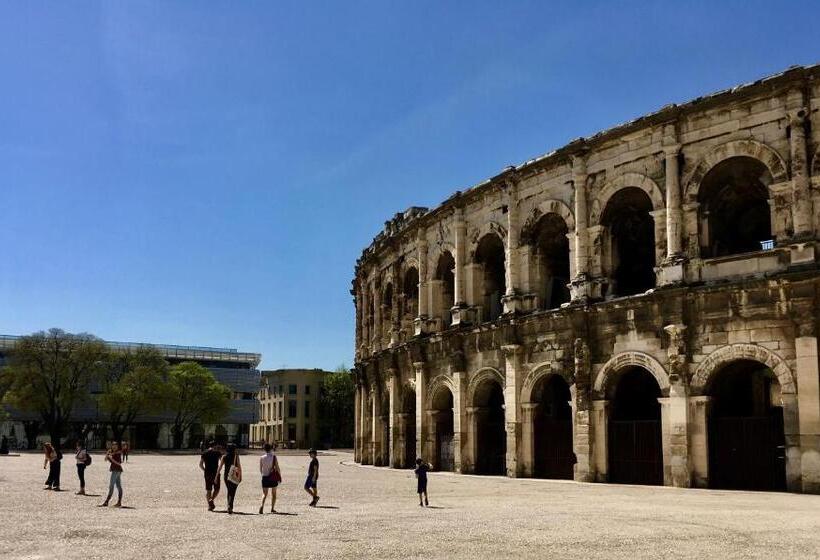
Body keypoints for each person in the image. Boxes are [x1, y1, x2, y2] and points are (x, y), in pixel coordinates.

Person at [199, 440, 222, 511]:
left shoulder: (204, 453)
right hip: (215, 473)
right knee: (217, 489)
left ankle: (209, 505)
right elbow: (222, 462)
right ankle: (211, 499)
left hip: (207, 473)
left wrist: (205, 470)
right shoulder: (217, 453)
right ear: (215, 445)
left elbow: (200, 464)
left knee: (208, 490)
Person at [218, 443, 241, 514]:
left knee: (229, 490)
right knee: (232, 491)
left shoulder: (224, 456)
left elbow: (220, 467)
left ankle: (229, 506)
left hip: (226, 476)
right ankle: (230, 506)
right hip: (234, 475)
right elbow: (239, 467)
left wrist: (216, 476)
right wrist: (240, 476)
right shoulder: (236, 456)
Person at [258, 443, 280, 514]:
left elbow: (260, 469)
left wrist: (263, 474)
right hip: (273, 477)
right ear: (271, 449)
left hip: (265, 477)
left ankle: (262, 506)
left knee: (264, 494)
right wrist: (279, 476)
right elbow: (277, 467)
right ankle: (272, 508)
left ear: (264, 449)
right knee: (274, 494)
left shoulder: (262, 457)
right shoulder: (274, 457)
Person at [100, 442, 124, 507]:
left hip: (116, 470)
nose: (114, 447)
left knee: (111, 486)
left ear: (117, 447)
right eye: (113, 446)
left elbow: (119, 463)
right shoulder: (112, 453)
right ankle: (119, 502)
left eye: (115, 446)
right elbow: (105, 459)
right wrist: (107, 453)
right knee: (118, 486)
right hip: (116, 470)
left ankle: (106, 502)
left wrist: (111, 458)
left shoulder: (118, 453)